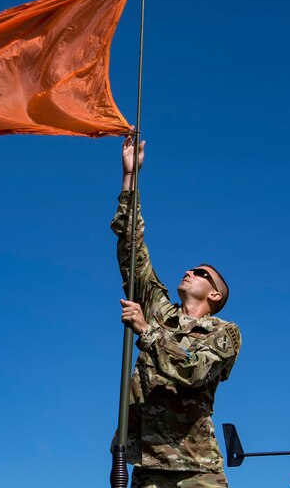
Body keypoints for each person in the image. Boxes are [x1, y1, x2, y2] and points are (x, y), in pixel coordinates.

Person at [112, 131, 241, 488]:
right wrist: (130, 179)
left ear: (215, 295)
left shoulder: (223, 332)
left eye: (202, 273)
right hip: (145, 463)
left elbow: (195, 371)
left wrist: (147, 333)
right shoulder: (159, 309)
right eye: (191, 268)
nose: (190, 271)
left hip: (195, 468)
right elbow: (132, 248)